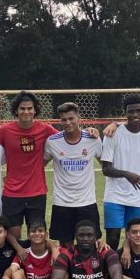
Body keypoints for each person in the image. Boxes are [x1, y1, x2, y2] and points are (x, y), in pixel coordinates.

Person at [0, 91, 57, 240]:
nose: (26, 111)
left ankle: (35, 263)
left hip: (36, 192)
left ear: (35, 110)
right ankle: (16, 263)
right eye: (22, 108)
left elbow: (66, 138)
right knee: (13, 235)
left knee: (36, 235)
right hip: (12, 193)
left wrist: (91, 131)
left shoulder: (45, 129)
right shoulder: (6, 130)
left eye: (29, 108)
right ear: (16, 110)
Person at [101, 95, 140, 250]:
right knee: (112, 239)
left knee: (135, 241)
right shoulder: (113, 135)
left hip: (136, 199)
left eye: (138, 110)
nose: (135, 114)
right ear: (125, 113)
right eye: (130, 111)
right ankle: (108, 273)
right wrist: (127, 174)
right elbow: (106, 169)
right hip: (114, 197)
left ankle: (128, 272)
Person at [43, 102, 103, 248]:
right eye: (64, 119)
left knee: (90, 244)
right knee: (65, 245)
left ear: (79, 119)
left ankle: (91, 271)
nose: (68, 122)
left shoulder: (92, 139)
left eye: (71, 118)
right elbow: (39, 165)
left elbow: (105, 164)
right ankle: (67, 271)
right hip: (62, 202)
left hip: (87, 201)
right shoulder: (52, 142)